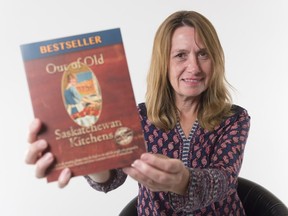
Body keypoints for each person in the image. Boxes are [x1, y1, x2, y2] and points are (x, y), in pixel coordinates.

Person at [25, 10, 250, 215]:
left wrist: (182, 180)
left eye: (203, 54)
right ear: (164, 63)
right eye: (181, 55)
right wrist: (91, 160)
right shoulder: (138, 117)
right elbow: (112, 179)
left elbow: (224, 179)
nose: (194, 67)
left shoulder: (234, 119)